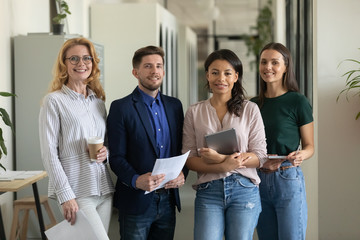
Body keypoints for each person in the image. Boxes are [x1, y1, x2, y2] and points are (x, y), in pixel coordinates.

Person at [182, 49, 267, 240]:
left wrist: (222, 159)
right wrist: (223, 166)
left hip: (244, 189)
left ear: (236, 77)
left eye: (228, 73)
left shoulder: (250, 109)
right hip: (208, 190)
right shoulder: (194, 112)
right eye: (215, 72)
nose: (221, 78)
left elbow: (260, 156)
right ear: (207, 75)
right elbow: (189, 159)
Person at [107, 45, 187, 240]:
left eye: (159, 66)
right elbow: (116, 157)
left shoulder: (175, 106)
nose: (154, 71)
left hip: (168, 198)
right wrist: (136, 180)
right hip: (136, 200)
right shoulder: (121, 107)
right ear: (136, 72)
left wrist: (183, 174)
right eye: (148, 66)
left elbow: (182, 148)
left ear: (164, 71)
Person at [39, 38, 114, 240]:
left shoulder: (98, 102)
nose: (81, 63)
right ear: (64, 64)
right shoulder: (54, 101)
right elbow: (49, 154)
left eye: (86, 58)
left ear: (93, 63)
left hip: (103, 189)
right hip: (76, 191)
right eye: (74, 58)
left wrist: (106, 153)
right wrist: (65, 196)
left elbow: (107, 143)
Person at [251, 42, 314, 240]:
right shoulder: (252, 105)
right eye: (263, 62)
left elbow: (310, 146)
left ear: (286, 67)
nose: (268, 67)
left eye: (274, 62)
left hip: (287, 177)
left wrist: (300, 155)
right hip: (258, 180)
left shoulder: (298, 101)